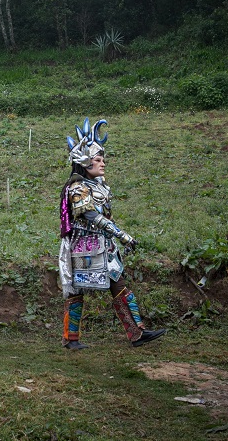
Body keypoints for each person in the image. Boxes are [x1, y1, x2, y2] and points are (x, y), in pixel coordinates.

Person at [58, 118, 167, 349]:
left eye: (103, 159)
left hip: (104, 244)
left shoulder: (100, 186)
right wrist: (123, 235)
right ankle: (70, 338)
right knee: (77, 291)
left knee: (119, 284)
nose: (103, 163)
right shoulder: (77, 187)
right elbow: (92, 217)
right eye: (98, 160)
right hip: (84, 246)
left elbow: (106, 216)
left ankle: (137, 333)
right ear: (85, 163)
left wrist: (115, 235)